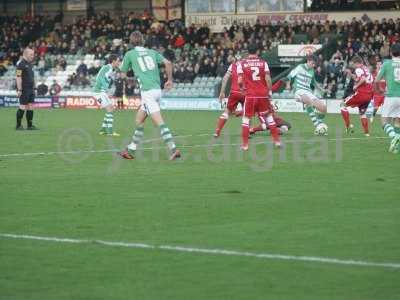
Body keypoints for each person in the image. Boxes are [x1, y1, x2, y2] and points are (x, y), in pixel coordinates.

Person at [118, 31, 180, 160]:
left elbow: (122, 74)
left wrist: (130, 78)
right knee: (139, 119)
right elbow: (168, 63)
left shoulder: (129, 54)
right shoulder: (152, 52)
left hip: (147, 93)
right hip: (157, 90)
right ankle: (131, 150)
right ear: (143, 41)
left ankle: (174, 149)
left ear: (131, 42)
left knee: (160, 123)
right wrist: (169, 80)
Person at [237, 44, 281, 150]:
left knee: (246, 119)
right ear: (257, 52)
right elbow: (268, 79)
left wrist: (242, 88)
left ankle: (245, 145)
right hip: (262, 95)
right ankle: (277, 142)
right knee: (269, 117)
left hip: (250, 95)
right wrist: (269, 91)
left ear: (248, 53)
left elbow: (239, 80)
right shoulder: (263, 63)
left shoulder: (241, 63)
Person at [286, 55, 328, 134]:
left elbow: (314, 82)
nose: (313, 65)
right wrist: (288, 85)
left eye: (314, 64)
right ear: (308, 61)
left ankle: (319, 124)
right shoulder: (300, 67)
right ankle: (317, 125)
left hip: (308, 92)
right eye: (312, 63)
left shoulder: (312, 70)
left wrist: (322, 89)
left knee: (323, 108)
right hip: (299, 91)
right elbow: (289, 76)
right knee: (308, 101)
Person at [374, 43, 400, 154]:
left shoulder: (387, 64)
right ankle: (396, 147)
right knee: (397, 120)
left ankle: (394, 136)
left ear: (390, 53)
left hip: (391, 96)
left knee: (384, 121)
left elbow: (376, 81)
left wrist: (379, 90)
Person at [340, 55, 373, 136]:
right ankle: (366, 133)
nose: (353, 66)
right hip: (369, 95)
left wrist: (356, 86)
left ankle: (348, 126)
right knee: (362, 113)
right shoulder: (366, 69)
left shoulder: (359, 69)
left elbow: (362, 79)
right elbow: (360, 78)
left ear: (357, 63)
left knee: (342, 104)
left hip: (361, 93)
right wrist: (350, 74)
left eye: (354, 64)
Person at [214, 54, 244, 137]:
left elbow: (225, 78)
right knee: (247, 113)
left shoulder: (232, 66)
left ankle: (217, 131)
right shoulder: (247, 65)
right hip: (245, 92)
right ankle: (246, 132)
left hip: (234, 92)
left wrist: (222, 92)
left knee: (227, 112)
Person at [93, 54, 121, 136]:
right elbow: (100, 78)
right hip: (98, 92)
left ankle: (103, 130)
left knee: (111, 108)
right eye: (118, 61)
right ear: (113, 61)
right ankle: (110, 131)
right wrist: (107, 89)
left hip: (102, 92)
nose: (119, 62)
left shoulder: (112, 69)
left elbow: (107, 79)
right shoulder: (107, 67)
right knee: (109, 109)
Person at [16, 47, 37, 130]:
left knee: (31, 106)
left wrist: (35, 88)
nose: (33, 56)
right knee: (22, 106)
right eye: (31, 54)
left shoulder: (30, 64)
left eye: (33, 54)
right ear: (26, 54)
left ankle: (30, 126)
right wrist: (19, 89)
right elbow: (18, 77)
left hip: (31, 89)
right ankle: (18, 126)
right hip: (24, 89)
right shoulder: (20, 64)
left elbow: (33, 77)